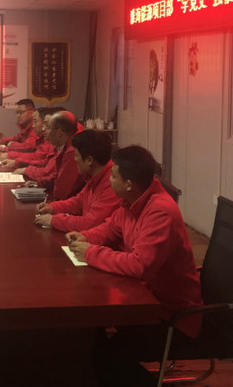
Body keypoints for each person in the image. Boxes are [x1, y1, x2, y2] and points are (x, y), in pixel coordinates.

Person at [66, 145, 203, 387]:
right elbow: (111, 228)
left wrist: (90, 252)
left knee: (105, 357)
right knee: (89, 342)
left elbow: (140, 265)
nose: (109, 179)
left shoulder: (160, 211)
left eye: (113, 176)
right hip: (146, 298)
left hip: (171, 316)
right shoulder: (133, 200)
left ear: (129, 184)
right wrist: (87, 237)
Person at [33, 129, 118, 231]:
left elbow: (90, 223)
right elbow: (78, 202)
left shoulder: (112, 183)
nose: (75, 159)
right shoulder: (94, 175)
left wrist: (54, 220)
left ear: (89, 160)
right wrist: (53, 207)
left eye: (77, 155)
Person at [23, 110, 83, 200]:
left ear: (59, 133)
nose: (44, 130)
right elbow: (56, 175)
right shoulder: (65, 145)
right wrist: (40, 184)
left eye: (48, 128)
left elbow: (61, 192)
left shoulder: (72, 151)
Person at [0, 106, 54, 171]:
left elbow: (30, 149)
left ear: (30, 112)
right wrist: (4, 144)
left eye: (20, 112)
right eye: (17, 113)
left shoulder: (44, 137)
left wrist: (11, 155)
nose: (18, 115)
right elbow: (17, 138)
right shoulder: (29, 128)